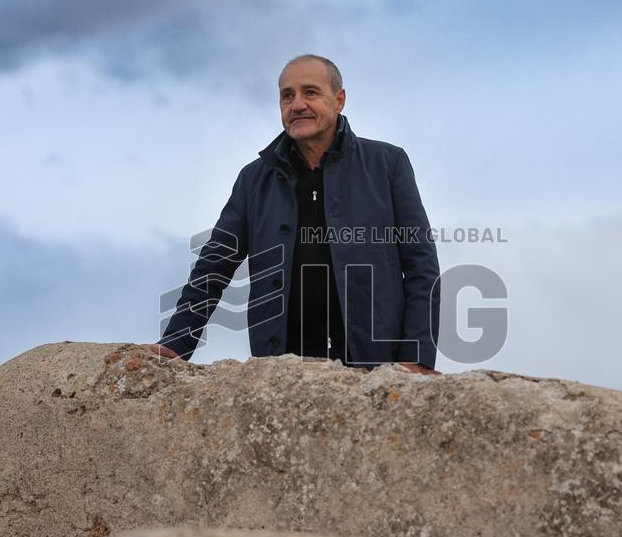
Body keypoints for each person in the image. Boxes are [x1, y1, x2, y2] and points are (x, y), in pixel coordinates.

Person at [147, 54, 440, 375]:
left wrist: (417, 357)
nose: (297, 104)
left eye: (310, 92)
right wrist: (175, 344)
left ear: (339, 100)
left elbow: (421, 267)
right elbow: (212, 268)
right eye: (288, 95)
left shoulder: (387, 164)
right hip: (281, 373)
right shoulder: (254, 180)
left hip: (374, 366)